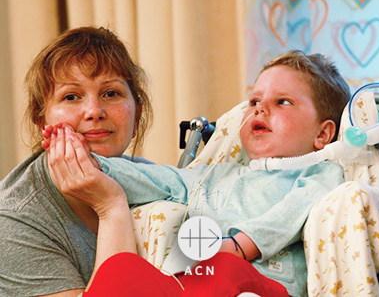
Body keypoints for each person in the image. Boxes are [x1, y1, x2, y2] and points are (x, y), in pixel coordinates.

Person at [43, 50, 351, 296]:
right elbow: (159, 179)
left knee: (222, 269)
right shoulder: (216, 175)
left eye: (282, 102)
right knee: (120, 269)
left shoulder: (318, 173)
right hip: (195, 284)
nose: (260, 109)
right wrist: (88, 161)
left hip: (261, 284)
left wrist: (239, 246)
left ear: (322, 134)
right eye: (254, 101)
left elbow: (290, 213)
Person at [0, 26, 153, 296]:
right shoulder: (11, 224)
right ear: (41, 121)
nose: (94, 111)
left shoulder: (151, 180)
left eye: (111, 93)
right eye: (71, 97)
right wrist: (110, 207)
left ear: (137, 113)